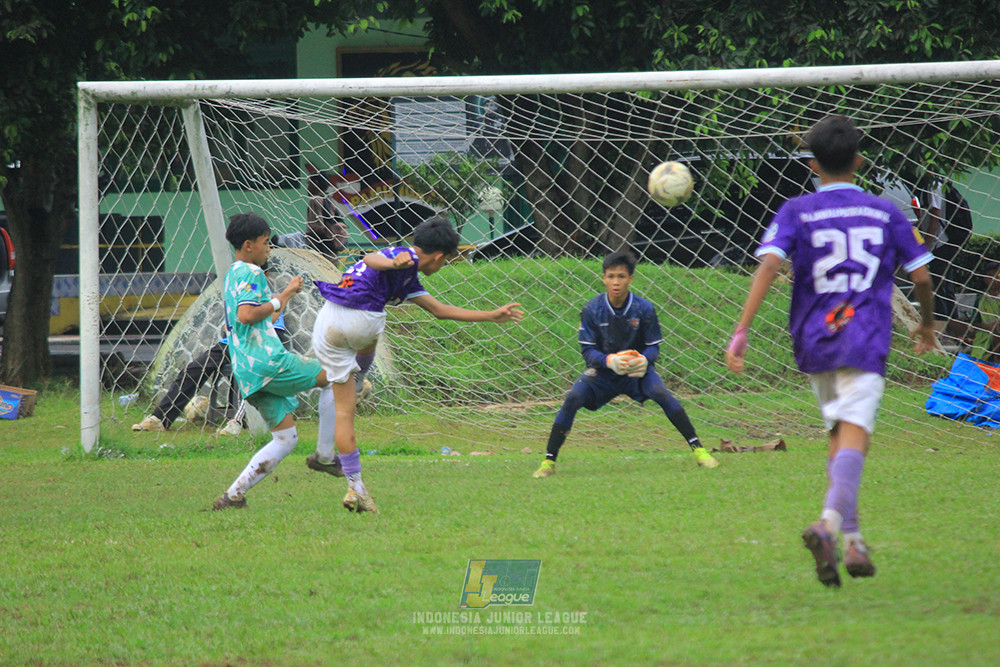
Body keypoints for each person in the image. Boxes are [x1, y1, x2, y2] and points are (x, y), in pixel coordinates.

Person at [725, 115, 937, 588]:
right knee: (855, 437)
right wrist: (925, 324)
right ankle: (828, 525)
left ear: (812, 164)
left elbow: (769, 264)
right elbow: (921, 277)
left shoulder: (796, 210)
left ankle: (855, 541)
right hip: (863, 335)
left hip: (814, 338)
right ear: (860, 160)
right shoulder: (886, 212)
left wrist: (741, 330)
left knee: (840, 436)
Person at [308, 216, 523, 513]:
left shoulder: (409, 277)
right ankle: (358, 386)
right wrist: (393, 263)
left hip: (330, 320)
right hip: (363, 320)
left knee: (345, 409)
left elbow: (439, 310)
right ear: (437, 256)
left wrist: (490, 315)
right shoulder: (405, 255)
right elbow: (371, 258)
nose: (443, 266)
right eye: (446, 261)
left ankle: (355, 488)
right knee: (351, 397)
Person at [532, 250, 718, 479]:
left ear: (631, 279)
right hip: (603, 372)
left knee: (660, 392)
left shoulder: (644, 309)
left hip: (635, 372)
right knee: (572, 398)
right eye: (610, 276)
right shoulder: (592, 309)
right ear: (603, 278)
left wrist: (643, 360)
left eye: (621, 276)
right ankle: (548, 462)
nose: (616, 282)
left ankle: (699, 451)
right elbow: (588, 351)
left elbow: (653, 348)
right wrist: (610, 360)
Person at [211, 212, 331, 510]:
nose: (269, 248)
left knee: (286, 438)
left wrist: (286, 293)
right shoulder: (251, 273)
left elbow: (265, 317)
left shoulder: (233, 276)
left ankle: (233, 495)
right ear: (249, 245)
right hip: (268, 363)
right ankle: (326, 456)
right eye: (266, 242)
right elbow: (247, 315)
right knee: (337, 377)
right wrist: (277, 300)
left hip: (249, 373)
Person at [132, 288, 290, 437]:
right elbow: (228, 327)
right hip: (234, 341)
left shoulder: (270, 295)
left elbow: (268, 321)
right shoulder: (238, 294)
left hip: (265, 339)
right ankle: (160, 418)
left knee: (250, 372)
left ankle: (238, 422)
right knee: (194, 369)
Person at [914, 175, 974, 325]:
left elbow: (935, 217)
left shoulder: (934, 187)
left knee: (938, 284)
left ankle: (942, 323)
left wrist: (926, 246)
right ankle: (952, 323)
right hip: (944, 241)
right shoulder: (934, 186)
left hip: (942, 242)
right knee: (946, 284)